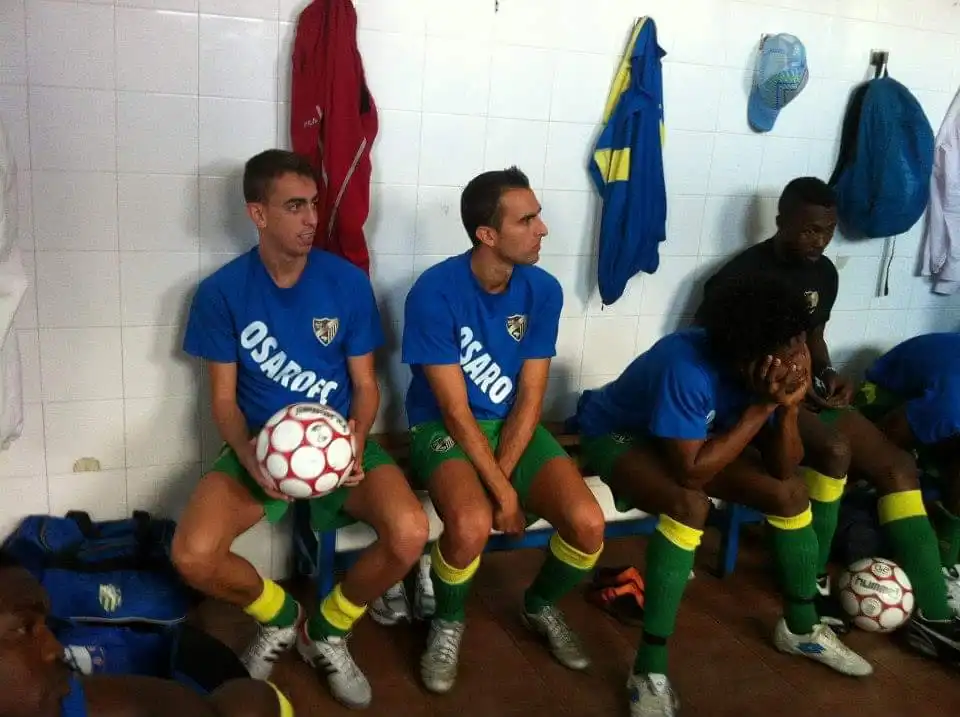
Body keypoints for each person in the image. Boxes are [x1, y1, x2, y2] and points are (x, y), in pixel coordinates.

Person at [173, 149, 429, 710]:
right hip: (260, 446)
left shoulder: (346, 282)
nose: (312, 218)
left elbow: (366, 385)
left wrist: (355, 442)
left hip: (338, 445)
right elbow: (221, 399)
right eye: (295, 206)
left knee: (410, 532)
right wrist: (250, 455)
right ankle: (282, 617)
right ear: (258, 214)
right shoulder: (221, 292)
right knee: (192, 555)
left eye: (313, 204)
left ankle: (329, 630)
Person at [575, 274, 872, 717]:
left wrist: (788, 409)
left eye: (798, 342)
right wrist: (763, 408)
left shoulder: (764, 370)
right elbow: (692, 473)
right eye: (788, 347)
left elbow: (782, 468)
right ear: (753, 354)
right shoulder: (687, 367)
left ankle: (801, 628)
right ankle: (648, 670)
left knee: (791, 494)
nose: (798, 358)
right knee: (688, 505)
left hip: (695, 441)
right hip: (620, 434)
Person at [699, 177, 960, 656]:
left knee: (898, 467)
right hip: (752, 399)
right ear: (781, 222)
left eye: (827, 232)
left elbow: (815, 337)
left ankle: (933, 614)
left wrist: (827, 373)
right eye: (809, 231)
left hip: (804, 391)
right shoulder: (741, 277)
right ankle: (811, 579)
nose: (819, 241)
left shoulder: (823, 274)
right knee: (835, 452)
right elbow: (713, 354)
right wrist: (784, 392)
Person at [401, 167, 606, 694]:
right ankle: (447, 621)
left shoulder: (543, 289)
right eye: (528, 219)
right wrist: (500, 494)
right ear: (486, 235)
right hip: (442, 426)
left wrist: (505, 482)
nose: (543, 229)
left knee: (587, 524)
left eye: (538, 216)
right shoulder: (434, 292)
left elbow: (532, 395)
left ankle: (539, 607)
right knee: (468, 525)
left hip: (512, 425)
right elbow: (453, 411)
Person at [0, 550, 294, 717]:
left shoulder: (57, 702)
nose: (54, 648)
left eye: (43, 626)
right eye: (22, 629)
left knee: (254, 703)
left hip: (196, 662)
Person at [854, 332, 960, 657]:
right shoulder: (952, 402)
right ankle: (935, 588)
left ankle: (947, 561)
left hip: (931, 414)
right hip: (880, 409)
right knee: (892, 477)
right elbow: (887, 439)